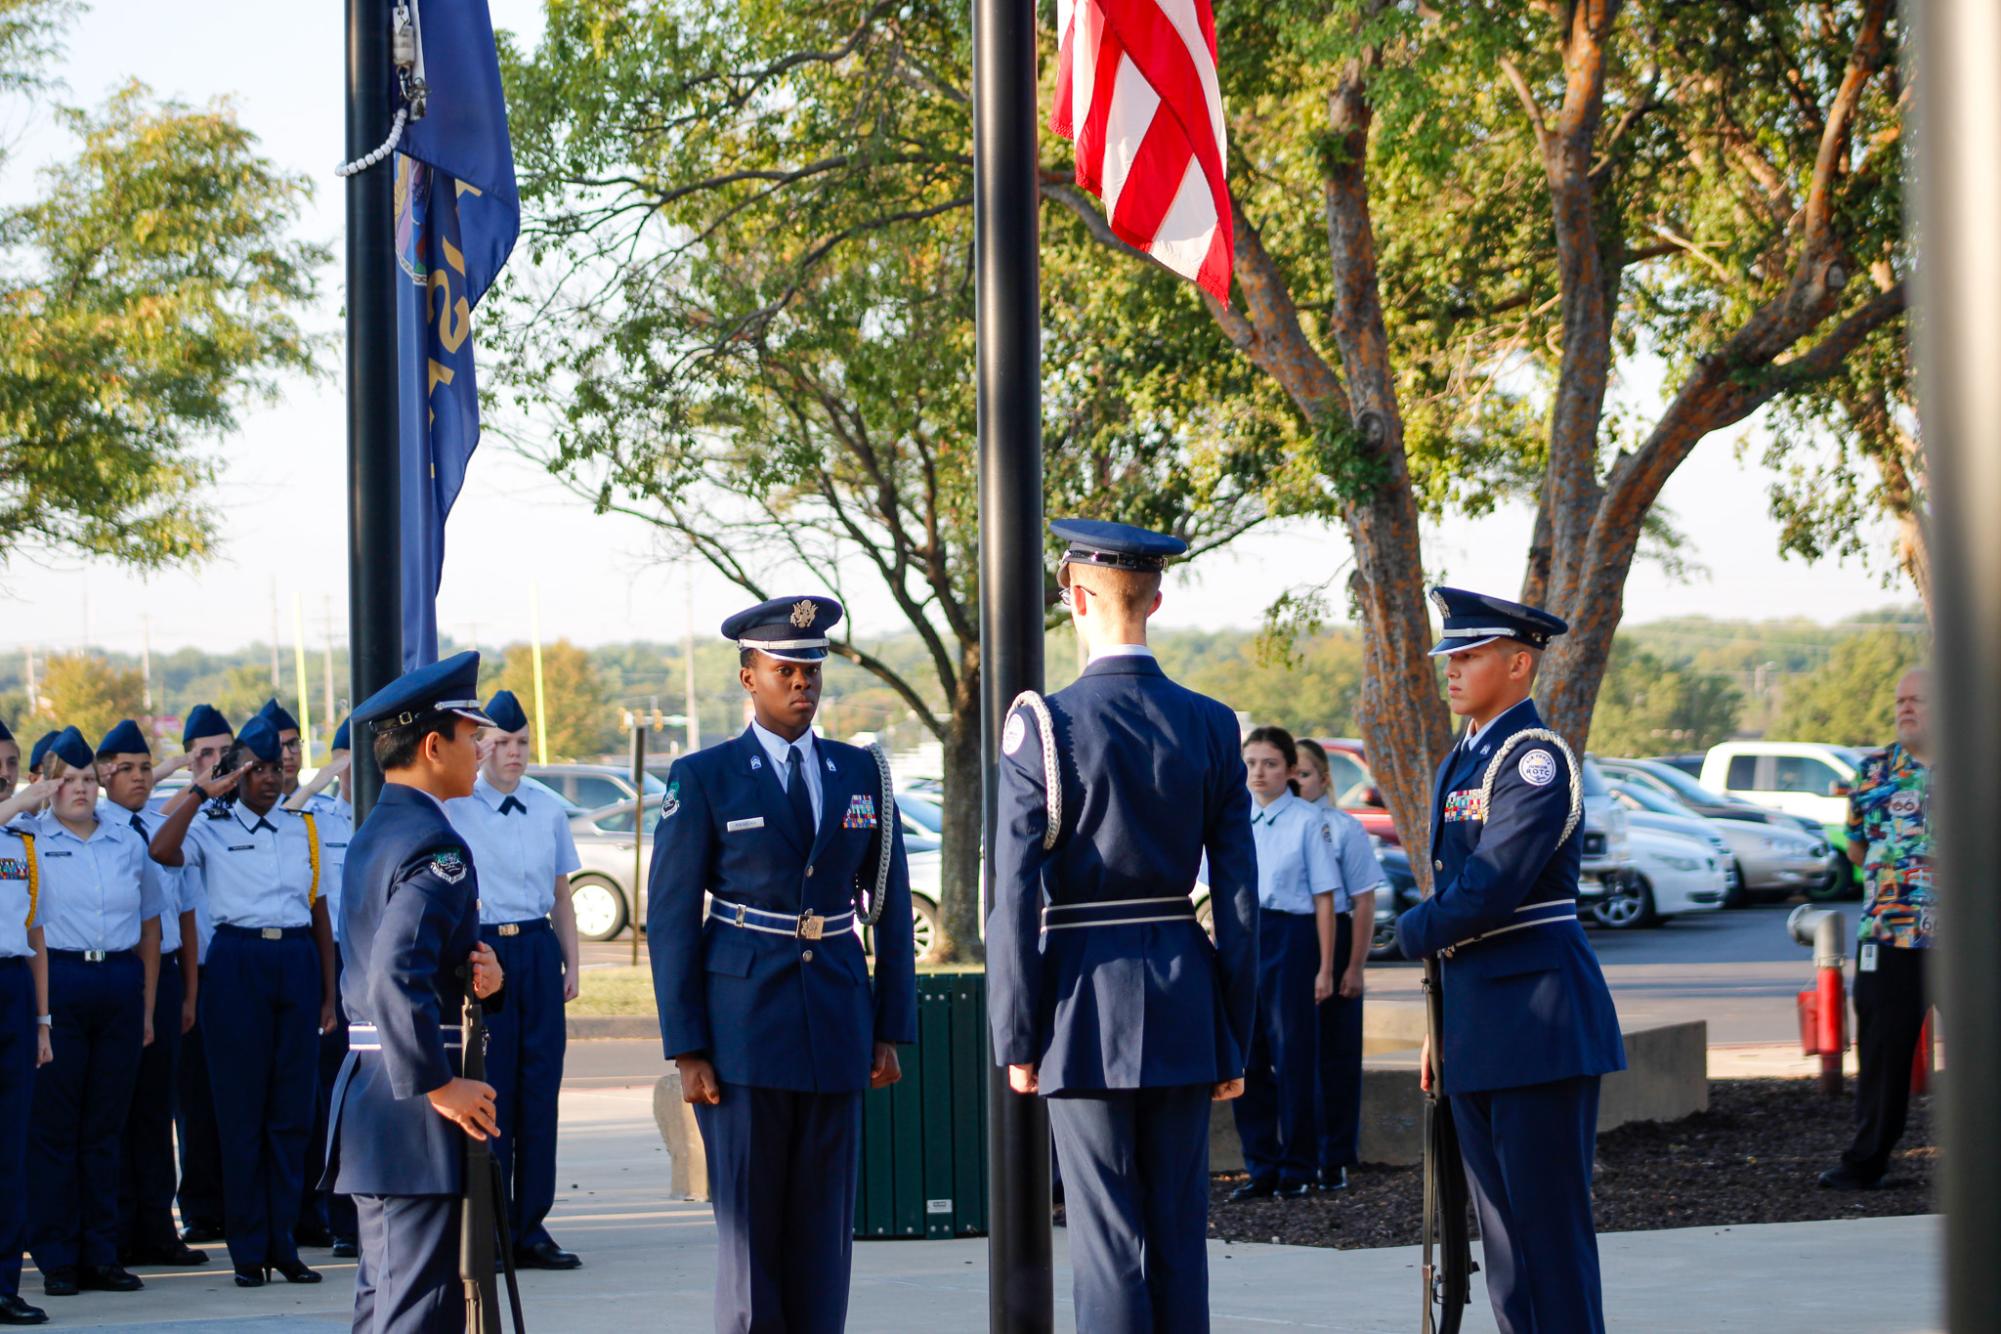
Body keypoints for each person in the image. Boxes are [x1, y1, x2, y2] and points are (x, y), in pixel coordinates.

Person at [988, 518, 1259, 1333]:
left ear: (1073, 595)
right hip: (1182, 997)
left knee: (1107, 1240)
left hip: (1080, 1001)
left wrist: (1017, 1035)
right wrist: (1233, 1032)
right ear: (1159, 597)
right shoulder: (1211, 723)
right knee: (1179, 1232)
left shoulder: (1045, 724)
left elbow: (1011, 893)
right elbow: (1239, 899)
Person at [649, 595, 916, 1334]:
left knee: (824, 1233)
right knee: (750, 1233)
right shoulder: (705, 776)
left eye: (811, 670)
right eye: (784, 669)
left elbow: (888, 904)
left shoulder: (861, 772)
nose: (802, 683)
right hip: (742, 1029)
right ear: (747, 677)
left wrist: (889, 1026)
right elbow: (670, 918)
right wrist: (687, 1048)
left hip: (834, 1017)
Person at [1395, 586, 1626, 1334]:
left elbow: (1489, 889)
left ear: (1519, 665)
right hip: (1479, 1024)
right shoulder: (1464, 758)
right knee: (1501, 1241)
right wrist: (1442, 1027)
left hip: (1537, 1024)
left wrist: (1408, 930)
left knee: (1545, 1236)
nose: (1451, 670)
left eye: (1468, 656)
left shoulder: (1532, 760)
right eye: (1448, 656)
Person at [321, 651, 505, 1333]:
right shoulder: (435, 844)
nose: (482, 750)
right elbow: (393, 972)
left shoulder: (381, 830)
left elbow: (408, 959)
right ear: (434, 745)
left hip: (378, 1100)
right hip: (412, 1114)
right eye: (471, 736)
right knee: (415, 1312)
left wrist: (484, 976)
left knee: (392, 1301)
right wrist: (439, 1085)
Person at [149, 716, 337, 1287]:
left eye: (276, 767)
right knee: (241, 1115)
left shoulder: (303, 827)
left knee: (290, 1116)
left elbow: (320, 913)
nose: (270, 778)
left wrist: (329, 993)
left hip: (295, 962)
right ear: (236, 773)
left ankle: (285, 1244)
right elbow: (161, 847)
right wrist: (202, 789)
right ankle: (248, 1250)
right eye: (255, 768)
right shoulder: (209, 824)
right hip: (237, 962)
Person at [446, 690, 584, 1271]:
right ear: (480, 745)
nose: (514, 753)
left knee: (538, 1092)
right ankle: (490, 1225)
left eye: (522, 742)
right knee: (492, 1088)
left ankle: (531, 1226)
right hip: (485, 952)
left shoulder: (547, 807)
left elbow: (560, 896)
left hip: (535, 949)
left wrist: (572, 963)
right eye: (501, 742)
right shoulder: (456, 807)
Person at [26, 727, 163, 1299]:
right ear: (48, 784)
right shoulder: (30, 838)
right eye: (68, 779)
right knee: (58, 1129)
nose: (80, 790)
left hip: (118, 978)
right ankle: (58, 1257)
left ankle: (102, 1254)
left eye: (87, 779)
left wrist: (149, 1007)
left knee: (106, 1128)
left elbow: (152, 921)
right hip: (60, 977)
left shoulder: (126, 839)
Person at [95, 721, 208, 1269]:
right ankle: (116, 1230)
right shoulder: (100, 830)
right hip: (118, 975)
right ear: (103, 775)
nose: (139, 778)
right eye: (128, 769)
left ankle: (158, 1229)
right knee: (116, 1107)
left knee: (157, 1108)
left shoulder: (162, 829)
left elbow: (183, 916)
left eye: (146, 768)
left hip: (163, 978)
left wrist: (187, 994)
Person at [1820, 667, 1934, 1192]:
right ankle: (1866, 1162)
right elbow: (1857, 846)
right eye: (1900, 700)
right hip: (1889, 939)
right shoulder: (1873, 772)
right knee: (1883, 1053)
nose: (1906, 708)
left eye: (1918, 700)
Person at [1230, 725, 1338, 1202]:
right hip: (1244, 935)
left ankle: (1298, 1164)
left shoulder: (1306, 821)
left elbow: (1323, 898)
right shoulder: (1235, 817)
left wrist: (1326, 967)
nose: (1259, 772)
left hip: (1291, 938)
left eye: (1270, 763)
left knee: (1292, 1056)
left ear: (1291, 771)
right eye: (1251, 762)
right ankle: (1262, 1165)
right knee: (1247, 1056)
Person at [1294, 738, 1384, 1192]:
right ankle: (1295, 1157)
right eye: (1289, 774)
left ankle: (1335, 1157)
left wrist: (1354, 967)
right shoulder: (1272, 824)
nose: (1295, 782)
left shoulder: (1342, 829)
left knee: (1337, 1055)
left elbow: (1364, 901)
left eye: (1304, 774)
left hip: (1338, 936)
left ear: (1324, 779)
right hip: (1292, 937)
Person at [288, 716, 359, 1255]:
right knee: (334, 1091)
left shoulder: (395, 812)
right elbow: (277, 821)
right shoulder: (315, 814)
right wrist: (318, 781)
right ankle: (338, 1217)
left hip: (380, 957)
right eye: (348, 760)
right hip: (333, 958)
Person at [172, 704, 233, 1246]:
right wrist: (193, 789)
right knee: (194, 1099)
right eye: (203, 755)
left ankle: (239, 1200)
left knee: (239, 1095)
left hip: (243, 972)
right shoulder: (184, 813)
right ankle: (198, 1204)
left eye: (222, 752)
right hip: (196, 971)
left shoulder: (247, 811)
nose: (216, 763)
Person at [0, 726, 53, 1327]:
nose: (7, 772)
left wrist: (42, 1019)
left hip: (13, 988)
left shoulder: (22, 842)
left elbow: (35, 934)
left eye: (13, 763)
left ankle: (6, 1283)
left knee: (10, 1148)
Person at [257, 698, 306, 799]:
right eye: (278, 746)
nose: (288, 756)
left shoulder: (323, 807)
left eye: (293, 744)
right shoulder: (247, 811)